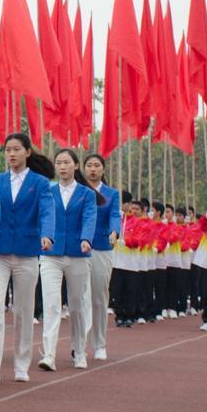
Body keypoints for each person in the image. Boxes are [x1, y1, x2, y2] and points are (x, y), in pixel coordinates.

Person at [0, 132, 55, 384]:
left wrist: (47, 234)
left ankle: (22, 364)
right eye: (8, 150)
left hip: (26, 253)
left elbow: (46, 210)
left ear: (27, 152)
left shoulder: (40, 183)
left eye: (16, 149)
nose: (11, 154)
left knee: (23, 311)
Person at [38, 149, 98, 371]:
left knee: (76, 306)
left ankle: (79, 351)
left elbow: (90, 217)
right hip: (51, 254)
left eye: (66, 162)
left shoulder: (86, 194)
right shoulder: (47, 192)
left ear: (75, 166)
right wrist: (43, 236)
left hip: (77, 254)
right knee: (52, 305)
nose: (62, 167)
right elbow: (42, 217)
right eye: (58, 162)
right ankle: (49, 354)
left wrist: (86, 239)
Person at [82, 154, 120, 360]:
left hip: (101, 248)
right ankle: (79, 344)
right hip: (78, 249)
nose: (93, 169)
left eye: (97, 165)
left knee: (98, 297)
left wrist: (114, 232)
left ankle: (99, 344)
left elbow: (114, 215)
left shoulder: (111, 194)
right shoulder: (77, 191)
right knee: (79, 299)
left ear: (103, 170)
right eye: (89, 165)